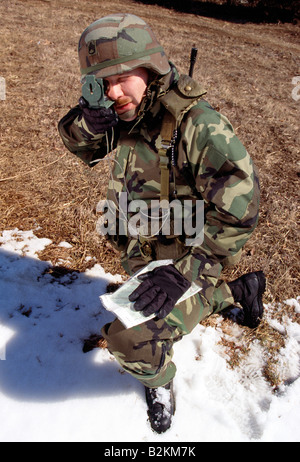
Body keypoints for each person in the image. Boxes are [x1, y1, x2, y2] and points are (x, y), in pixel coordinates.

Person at [58, 13, 266, 434]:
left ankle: (160, 382)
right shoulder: (128, 111)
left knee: (128, 341)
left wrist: (184, 273)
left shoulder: (200, 126)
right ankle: (237, 292)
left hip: (187, 261)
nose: (113, 92)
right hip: (146, 251)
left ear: (150, 66)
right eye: (102, 81)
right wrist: (87, 123)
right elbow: (81, 147)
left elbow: (242, 211)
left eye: (122, 76)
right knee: (139, 302)